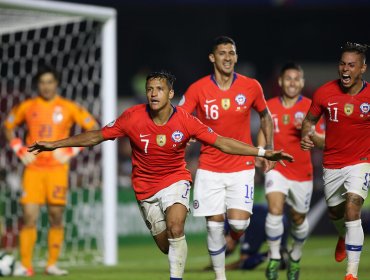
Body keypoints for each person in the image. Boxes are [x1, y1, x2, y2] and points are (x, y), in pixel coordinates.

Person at [28, 71, 293, 280]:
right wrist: (56, 144)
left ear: (171, 93)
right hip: (145, 188)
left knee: (177, 226)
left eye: (160, 89)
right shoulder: (132, 117)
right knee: (167, 245)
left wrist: (262, 151)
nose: (154, 94)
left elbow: (221, 141)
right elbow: (97, 135)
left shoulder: (185, 121)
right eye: (150, 89)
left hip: (176, 180)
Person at [178, 35, 274, 280]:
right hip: (210, 165)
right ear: (212, 57)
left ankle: (233, 239)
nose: (228, 58)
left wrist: (268, 147)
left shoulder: (251, 86)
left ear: (236, 57)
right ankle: (221, 277)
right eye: (222, 53)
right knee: (214, 225)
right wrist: (184, 135)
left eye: (231, 53)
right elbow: (180, 119)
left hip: (241, 166)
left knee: (239, 224)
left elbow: (265, 116)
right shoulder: (198, 89)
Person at [3, 66, 99, 276]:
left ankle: (51, 264)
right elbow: (8, 126)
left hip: (57, 170)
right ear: (38, 85)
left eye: (50, 82)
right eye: (42, 82)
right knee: (29, 216)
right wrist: (19, 149)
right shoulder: (27, 106)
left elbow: (93, 127)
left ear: (57, 84)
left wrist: (71, 151)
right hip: (33, 169)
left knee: (56, 216)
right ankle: (26, 266)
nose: (46, 86)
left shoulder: (68, 107)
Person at [301, 42, 370, 280]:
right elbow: (309, 121)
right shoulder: (324, 93)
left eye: (352, 65)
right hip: (332, 164)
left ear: (362, 68)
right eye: (342, 63)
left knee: (353, 207)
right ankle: (343, 235)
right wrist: (307, 136)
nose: (345, 69)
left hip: (361, 161)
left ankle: (351, 273)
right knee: (336, 213)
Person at [257, 63, 325, 280]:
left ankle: (295, 254)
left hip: (302, 172)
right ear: (280, 82)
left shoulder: (311, 108)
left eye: (297, 79)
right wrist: (261, 153)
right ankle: (275, 257)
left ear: (302, 83)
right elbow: (263, 131)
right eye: (288, 78)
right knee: (275, 209)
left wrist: (308, 133)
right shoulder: (269, 106)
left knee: (298, 219)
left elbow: (321, 141)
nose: (293, 82)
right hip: (276, 167)